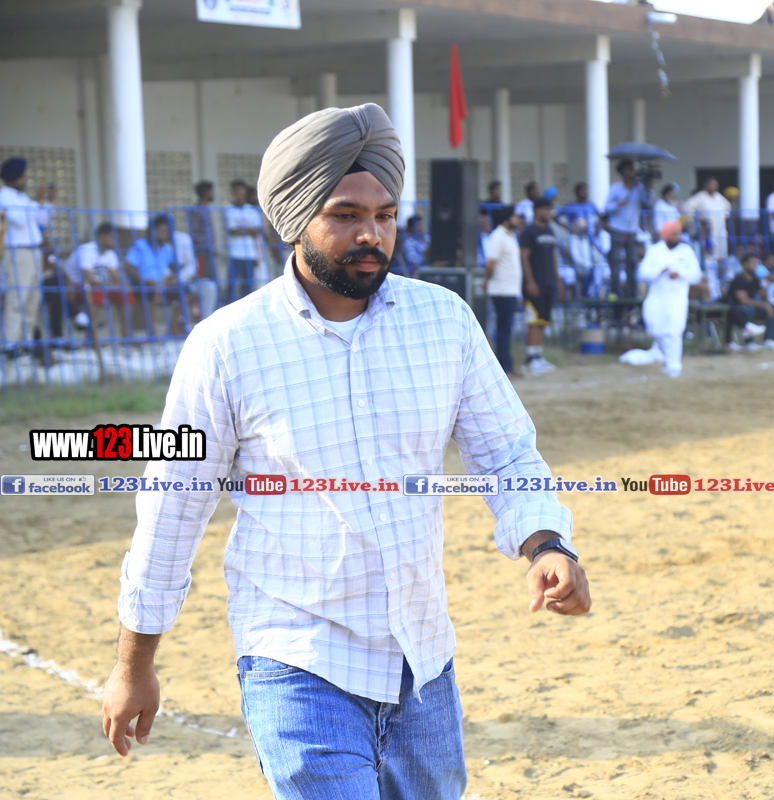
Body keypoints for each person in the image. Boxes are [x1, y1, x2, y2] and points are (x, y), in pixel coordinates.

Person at [100, 104, 590, 799]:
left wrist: (546, 544)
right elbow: (173, 507)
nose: (371, 234)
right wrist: (134, 663)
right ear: (295, 218)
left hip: (423, 661)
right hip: (296, 660)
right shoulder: (227, 346)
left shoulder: (443, 321)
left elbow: (506, 453)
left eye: (386, 216)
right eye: (345, 215)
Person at [0, 157, 54, 357]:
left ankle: (26, 341)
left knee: (33, 298)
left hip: (34, 251)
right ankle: (10, 344)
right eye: (23, 176)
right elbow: (20, 220)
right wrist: (37, 200)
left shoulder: (22, 198)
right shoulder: (4, 196)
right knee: (17, 298)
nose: (25, 179)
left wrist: (48, 201)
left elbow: (42, 220)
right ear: (14, 177)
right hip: (18, 252)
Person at [637, 220, 701, 378]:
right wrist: (660, 271)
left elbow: (696, 274)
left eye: (679, 234)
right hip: (657, 298)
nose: (678, 237)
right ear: (666, 235)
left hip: (677, 299)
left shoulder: (686, 251)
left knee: (674, 331)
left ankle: (674, 365)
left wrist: (680, 274)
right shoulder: (654, 250)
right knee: (656, 329)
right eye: (675, 234)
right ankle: (668, 360)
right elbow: (643, 273)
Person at [519, 197, 563, 375]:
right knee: (534, 322)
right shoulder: (529, 232)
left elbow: (553, 256)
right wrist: (530, 281)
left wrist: (557, 279)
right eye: (546, 209)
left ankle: (538, 355)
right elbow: (524, 257)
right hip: (534, 283)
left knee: (543, 321)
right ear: (537, 211)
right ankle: (530, 359)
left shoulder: (550, 230)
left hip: (547, 283)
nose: (549, 213)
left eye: (550, 209)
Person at [124, 215, 187, 336]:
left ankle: (173, 328)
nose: (166, 234)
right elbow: (128, 266)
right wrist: (143, 281)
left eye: (167, 231)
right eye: (162, 230)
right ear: (153, 231)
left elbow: (174, 266)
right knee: (150, 290)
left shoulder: (165, 249)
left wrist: (172, 278)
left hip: (162, 284)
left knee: (184, 291)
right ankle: (152, 333)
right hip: (142, 284)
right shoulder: (140, 246)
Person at [484, 205, 523, 379]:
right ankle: (503, 368)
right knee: (503, 330)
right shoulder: (498, 236)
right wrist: (487, 280)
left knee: (506, 329)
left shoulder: (510, 235)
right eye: (515, 216)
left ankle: (508, 366)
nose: (518, 219)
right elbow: (491, 263)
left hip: (510, 290)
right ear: (507, 218)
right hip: (501, 290)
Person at [604, 159, 650, 300]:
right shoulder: (616, 188)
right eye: (630, 169)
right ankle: (615, 292)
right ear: (623, 172)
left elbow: (648, 202)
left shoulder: (639, 188)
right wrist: (618, 204)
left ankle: (630, 295)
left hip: (632, 230)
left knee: (631, 262)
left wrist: (649, 187)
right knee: (616, 261)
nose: (633, 172)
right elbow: (606, 207)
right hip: (617, 229)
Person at [723, 252, 774, 351]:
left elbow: (764, 299)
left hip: (749, 309)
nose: (755, 265)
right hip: (737, 310)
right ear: (745, 265)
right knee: (749, 308)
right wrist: (764, 305)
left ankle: (768, 340)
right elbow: (743, 300)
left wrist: (765, 289)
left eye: (757, 263)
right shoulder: (739, 279)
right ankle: (749, 342)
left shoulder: (755, 279)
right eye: (753, 262)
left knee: (773, 308)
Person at [224, 179, 264, 303]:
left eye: (241, 190)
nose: (238, 193)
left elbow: (257, 232)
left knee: (248, 287)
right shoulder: (228, 209)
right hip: (234, 254)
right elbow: (232, 231)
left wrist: (241, 230)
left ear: (245, 192)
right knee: (231, 286)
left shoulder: (252, 210)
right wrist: (248, 230)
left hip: (250, 254)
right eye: (236, 190)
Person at [683, 176, 732, 265]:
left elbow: (728, 206)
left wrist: (724, 216)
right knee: (709, 256)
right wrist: (697, 217)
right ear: (706, 185)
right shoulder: (700, 196)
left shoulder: (718, 196)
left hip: (720, 229)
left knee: (721, 254)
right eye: (712, 184)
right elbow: (688, 207)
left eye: (716, 185)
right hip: (708, 230)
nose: (714, 187)